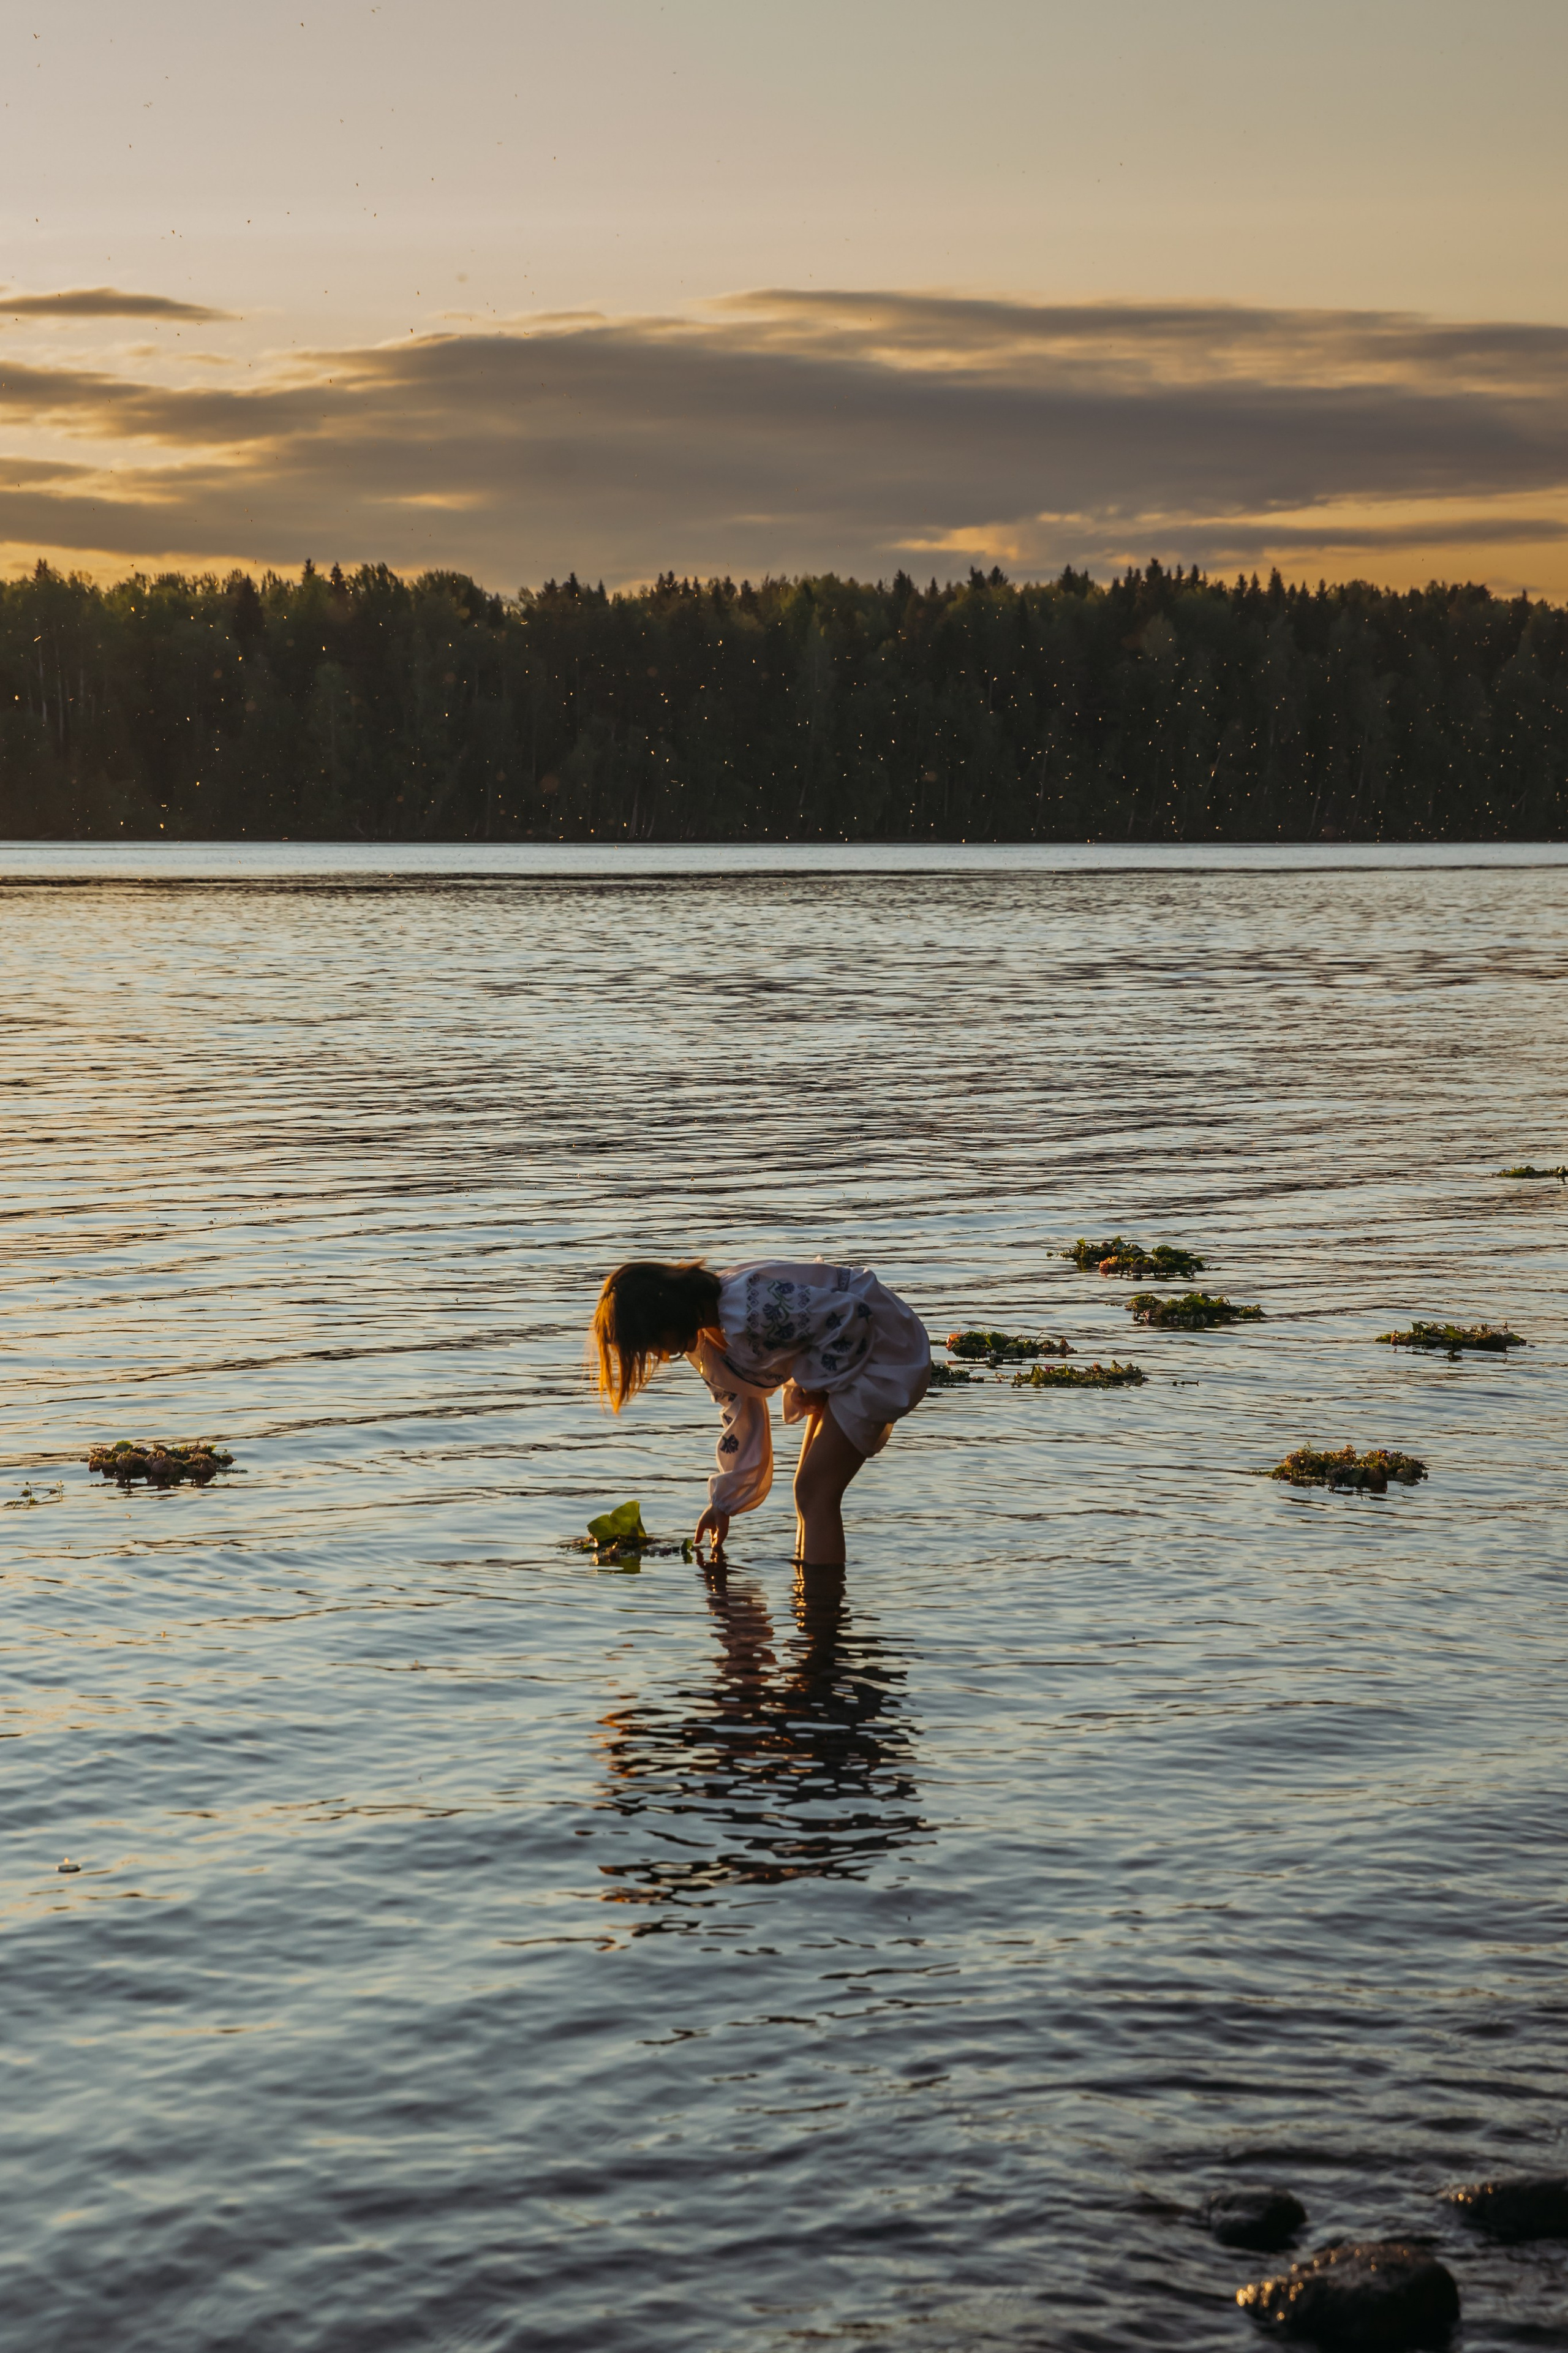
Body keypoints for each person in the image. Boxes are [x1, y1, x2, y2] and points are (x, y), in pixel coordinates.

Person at [589, 1257, 930, 1564]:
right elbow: (740, 1412)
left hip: (884, 1349)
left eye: (648, 1342)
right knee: (807, 1492)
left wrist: (817, 1382)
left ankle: (821, 1614)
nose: (654, 1354)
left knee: (815, 1493)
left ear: (663, 1317)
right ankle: (808, 1603)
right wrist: (722, 1503)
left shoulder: (748, 1307)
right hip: (845, 1358)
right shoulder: (708, 1343)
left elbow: (849, 1316)